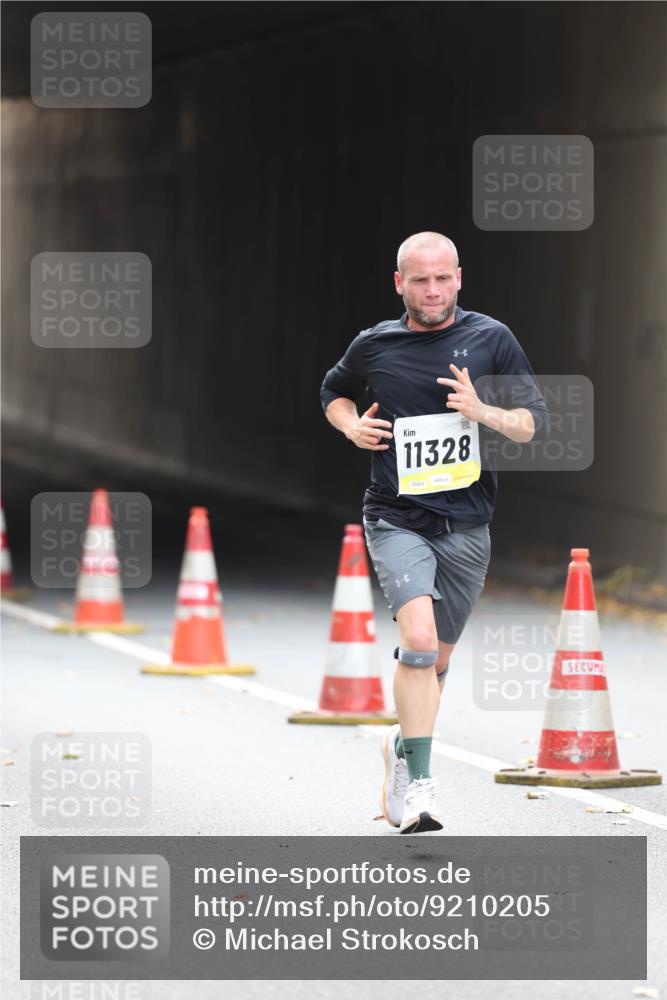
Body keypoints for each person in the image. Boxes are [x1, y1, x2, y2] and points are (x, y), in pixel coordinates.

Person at [320, 231, 549, 834]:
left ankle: (402, 746)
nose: (432, 290)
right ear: (400, 283)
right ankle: (419, 785)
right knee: (418, 642)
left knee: (438, 661)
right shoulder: (376, 345)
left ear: (459, 278)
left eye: (442, 278)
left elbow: (533, 424)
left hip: (468, 524)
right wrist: (351, 428)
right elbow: (333, 392)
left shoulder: (491, 338)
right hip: (395, 515)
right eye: (419, 280)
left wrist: (484, 412)